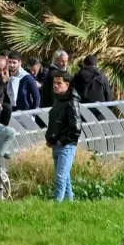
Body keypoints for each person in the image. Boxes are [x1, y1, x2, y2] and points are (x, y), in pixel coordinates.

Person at [45, 70, 82, 201]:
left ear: (67, 85)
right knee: (65, 178)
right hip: (57, 144)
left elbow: (76, 129)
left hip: (66, 146)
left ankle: (57, 204)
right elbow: (54, 122)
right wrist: (50, 138)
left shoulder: (71, 102)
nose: (55, 85)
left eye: (59, 83)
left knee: (60, 177)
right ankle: (69, 204)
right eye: (54, 83)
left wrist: (63, 141)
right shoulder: (58, 99)